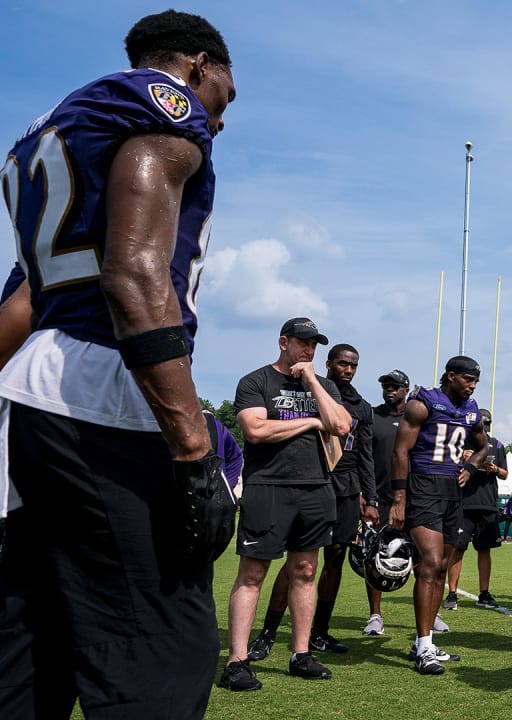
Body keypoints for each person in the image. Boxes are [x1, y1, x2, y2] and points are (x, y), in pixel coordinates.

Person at [0, 11, 236, 717]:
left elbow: (23, 301)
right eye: (225, 90)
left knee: (33, 631)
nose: (221, 112)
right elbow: (135, 272)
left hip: (34, 395)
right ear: (197, 65)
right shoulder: (163, 106)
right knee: (162, 651)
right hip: (108, 388)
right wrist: (194, 445)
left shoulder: (51, 126)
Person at [222, 318, 351, 691]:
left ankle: (300, 655)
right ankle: (237, 661)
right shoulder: (256, 381)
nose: (309, 351)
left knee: (306, 571)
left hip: (315, 488)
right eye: (303, 343)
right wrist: (311, 422)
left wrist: (312, 382)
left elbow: (341, 426)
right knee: (253, 574)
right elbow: (257, 431)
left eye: (315, 345)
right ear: (283, 342)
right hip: (268, 487)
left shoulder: (323, 385)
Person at [247, 343, 375, 659]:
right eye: (343, 363)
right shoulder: (306, 391)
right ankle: (268, 632)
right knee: (295, 564)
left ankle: (319, 633)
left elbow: (365, 454)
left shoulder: (361, 406)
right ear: (328, 364)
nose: (348, 370)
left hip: (345, 487)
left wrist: (370, 496)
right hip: (309, 482)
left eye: (353, 366)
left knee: (333, 560)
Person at [390, 356, 488, 675]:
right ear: (451, 376)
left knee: (442, 567)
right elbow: (401, 450)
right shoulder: (423, 403)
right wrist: (399, 497)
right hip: (423, 486)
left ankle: (426, 643)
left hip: (451, 491)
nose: (473, 385)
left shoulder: (472, 410)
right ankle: (423, 647)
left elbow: (484, 445)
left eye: (476, 380)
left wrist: (471, 467)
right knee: (430, 564)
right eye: (468, 379)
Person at [444, 408, 507, 611]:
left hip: (487, 503)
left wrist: (494, 469)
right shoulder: (462, 443)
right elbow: (446, 465)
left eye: (487, 425)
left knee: (485, 549)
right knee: (458, 548)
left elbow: (505, 474)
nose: (485, 429)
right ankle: (452, 593)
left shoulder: (497, 445)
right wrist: (463, 458)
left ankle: (484, 593)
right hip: (464, 502)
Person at [364, 369, 411, 636]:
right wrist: (365, 494)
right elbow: (365, 457)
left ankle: (431, 613)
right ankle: (375, 615)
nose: (389, 390)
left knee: (425, 558)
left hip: (413, 498)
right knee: (375, 556)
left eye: (394, 386)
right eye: (385, 386)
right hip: (380, 497)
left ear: (406, 389)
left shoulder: (416, 417)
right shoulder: (374, 416)